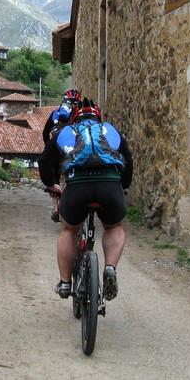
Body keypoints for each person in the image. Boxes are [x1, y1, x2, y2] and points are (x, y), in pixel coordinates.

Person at [40, 98, 132, 301]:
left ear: (75, 118)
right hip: (109, 185)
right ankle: (110, 267)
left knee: (69, 230)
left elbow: (45, 160)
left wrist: (51, 184)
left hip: (77, 186)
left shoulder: (67, 132)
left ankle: (65, 283)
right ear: (98, 117)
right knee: (114, 227)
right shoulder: (109, 130)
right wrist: (123, 186)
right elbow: (128, 159)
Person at [39, 89, 82, 222]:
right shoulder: (79, 115)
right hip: (72, 149)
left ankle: (55, 208)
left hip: (55, 148)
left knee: (54, 177)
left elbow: (45, 132)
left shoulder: (55, 113)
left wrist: (48, 147)